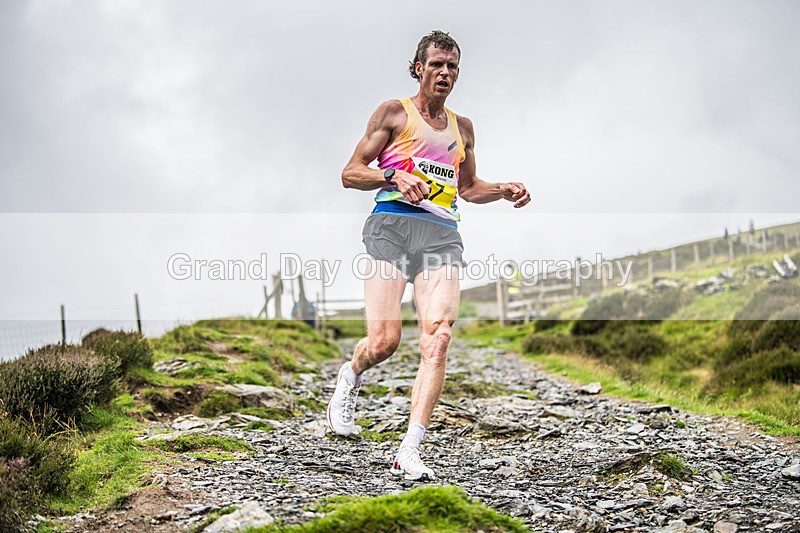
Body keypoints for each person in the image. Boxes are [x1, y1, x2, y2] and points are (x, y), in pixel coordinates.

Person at [327, 30, 531, 481]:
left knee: (438, 337)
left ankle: (410, 449)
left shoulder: (464, 128)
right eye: (436, 64)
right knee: (384, 342)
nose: (445, 73)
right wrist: (393, 177)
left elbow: (468, 188)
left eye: (452, 66)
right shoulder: (393, 113)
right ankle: (352, 373)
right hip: (391, 227)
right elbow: (349, 172)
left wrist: (502, 190)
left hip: (441, 234)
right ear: (418, 68)